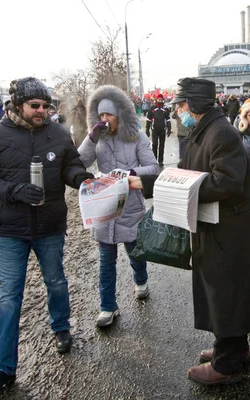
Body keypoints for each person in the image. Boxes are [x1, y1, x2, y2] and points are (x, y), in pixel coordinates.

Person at [0, 77, 94, 394]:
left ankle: (61, 327)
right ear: (16, 105)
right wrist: (13, 191)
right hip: (11, 230)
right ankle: (3, 368)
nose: (42, 111)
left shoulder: (59, 132)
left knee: (56, 281)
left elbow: (71, 166)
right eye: (35, 106)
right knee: (9, 296)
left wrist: (83, 180)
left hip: (50, 225)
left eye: (46, 106)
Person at [170, 77, 250, 385]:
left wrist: (185, 187)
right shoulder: (203, 129)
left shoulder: (221, 132)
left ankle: (228, 367)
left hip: (227, 231)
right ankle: (233, 351)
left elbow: (225, 181)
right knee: (225, 295)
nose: (178, 111)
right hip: (215, 227)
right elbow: (190, 169)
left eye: (181, 105)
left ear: (195, 104)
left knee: (227, 296)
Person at [78, 85, 159, 328]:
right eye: (101, 116)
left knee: (135, 253)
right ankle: (107, 307)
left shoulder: (137, 137)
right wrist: (91, 137)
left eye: (109, 115)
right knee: (105, 260)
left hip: (130, 206)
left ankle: (141, 280)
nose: (104, 120)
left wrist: (129, 173)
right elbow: (79, 161)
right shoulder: (98, 138)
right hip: (103, 206)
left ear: (120, 115)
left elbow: (153, 168)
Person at [145, 94, 171, 166]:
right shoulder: (152, 108)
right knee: (155, 145)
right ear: (156, 100)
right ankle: (154, 160)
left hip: (163, 130)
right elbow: (148, 119)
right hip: (154, 130)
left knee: (162, 145)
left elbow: (168, 119)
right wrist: (147, 129)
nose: (160, 101)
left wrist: (169, 128)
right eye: (159, 99)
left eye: (161, 99)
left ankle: (160, 161)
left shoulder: (166, 109)